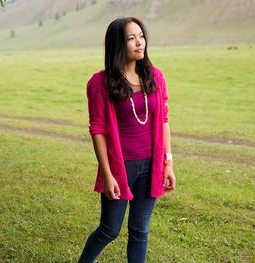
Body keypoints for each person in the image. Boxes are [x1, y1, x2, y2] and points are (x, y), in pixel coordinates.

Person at [78, 17, 176, 263]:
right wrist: (108, 173)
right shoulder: (100, 83)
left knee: (140, 231)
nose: (139, 43)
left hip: (151, 165)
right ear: (117, 44)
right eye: (131, 38)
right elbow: (98, 130)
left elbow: (164, 119)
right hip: (121, 167)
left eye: (141, 36)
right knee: (109, 230)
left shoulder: (155, 76)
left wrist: (168, 162)